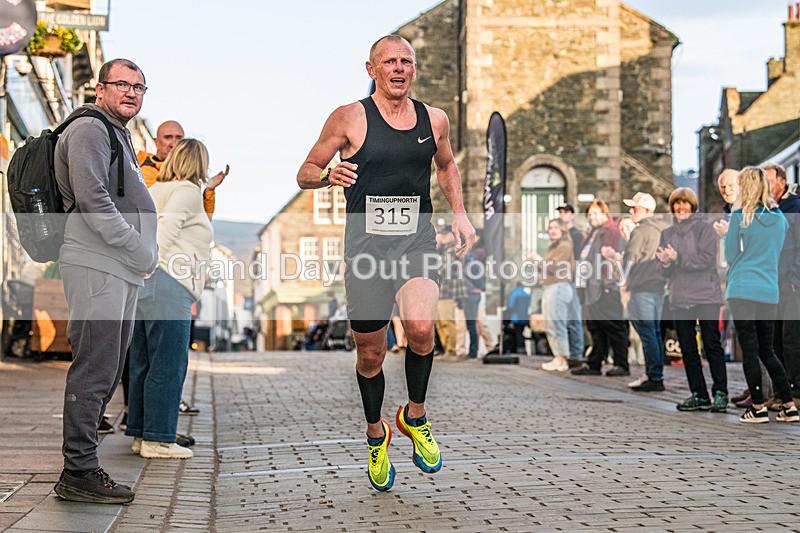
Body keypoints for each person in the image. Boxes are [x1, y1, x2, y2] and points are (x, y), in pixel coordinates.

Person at [296, 35, 476, 492]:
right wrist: (326, 175)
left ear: (414, 69)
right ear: (371, 69)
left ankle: (415, 416)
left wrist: (459, 214)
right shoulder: (349, 118)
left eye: (406, 61)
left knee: (420, 329)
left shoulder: (434, 118)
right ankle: (377, 433)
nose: (399, 68)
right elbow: (305, 171)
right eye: (389, 62)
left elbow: (447, 166)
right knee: (371, 352)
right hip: (366, 251)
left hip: (415, 241)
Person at [53, 58, 158, 504]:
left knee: (109, 366)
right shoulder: (91, 130)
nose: (131, 92)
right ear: (100, 89)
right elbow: (93, 199)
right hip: (97, 264)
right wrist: (138, 246)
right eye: (122, 84)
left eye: (139, 86)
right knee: (95, 366)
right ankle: (78, 471)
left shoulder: (118, 133)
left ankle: (84, 465)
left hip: (118, 268)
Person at [125, 139, 214, 457]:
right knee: (169, 362)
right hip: (168, 282)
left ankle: (140, 433)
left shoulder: (158, 189)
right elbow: (166, 227)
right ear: (199, 163)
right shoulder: (188, 191)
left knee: (143, 362)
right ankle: (158, 440)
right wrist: (152, 262)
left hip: (146, 282)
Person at [724, 166, 798, 423]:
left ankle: (757, 407)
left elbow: (731, 255)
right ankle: (789, 405)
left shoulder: (739, 216)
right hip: (769, 289)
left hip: (743, 288)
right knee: (769, 350)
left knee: (751, 350)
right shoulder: (779, 219)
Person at [656, 188, 728, 413]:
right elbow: (663, 270)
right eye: (677, 204)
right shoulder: (666, 233)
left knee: (711, 344)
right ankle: (699, 394)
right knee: (687, 348)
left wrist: (678, 258)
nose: (680, 208)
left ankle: (720, 392)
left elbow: (707, 260)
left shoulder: (703, 228)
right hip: (680, 298)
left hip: (706, 295)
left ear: (692, 206)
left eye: (685, 204)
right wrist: (666, 263)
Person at [607, 192, 667, 392]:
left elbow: (629, 260)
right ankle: (654, 373)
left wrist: (616, 260)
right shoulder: (663, 229)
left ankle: (654, 376)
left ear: (647, 211)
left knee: (647, 332)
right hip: (658, 287)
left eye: (635, 208)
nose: (631, 211)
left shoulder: (640, 231)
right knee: (655, 332)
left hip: (641, 287)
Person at [571, 199, 629, 377]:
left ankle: (621, 363)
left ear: (605, 213)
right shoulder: (593, 233)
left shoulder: (610, 231)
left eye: (595, 213)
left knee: (614, 326)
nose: (591, 217)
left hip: (605, 287)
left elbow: (614, 258)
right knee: (596, 327)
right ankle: (595, 362)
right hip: (591, 287)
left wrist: (608, 283)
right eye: (589, 214)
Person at [763, 163, 800, 402]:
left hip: (792, 284)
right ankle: (781, 391)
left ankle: (796, 391)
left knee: (791, 339)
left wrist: (794, 278)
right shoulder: (766, 211)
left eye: (768, 179)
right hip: (770, 283)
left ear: (781, 182)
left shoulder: (795, 207)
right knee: (773, 339)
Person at [532, 218, 574, 371]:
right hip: (550, 287)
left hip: (559, 287)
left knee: (557, 323)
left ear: (562, 229)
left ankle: (562, 357)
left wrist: (538, 260)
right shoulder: (552, 247)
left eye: (556, 227)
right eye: (550, 227)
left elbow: (555, 267)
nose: (553, 230)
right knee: (550, 323)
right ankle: (558, 356)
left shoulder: (564, 245)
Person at [557, 204, 585, 361]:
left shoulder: (577, 235)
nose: (562, 215)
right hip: (560, 281)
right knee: (563, 319)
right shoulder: (559, 236)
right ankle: (566, 353)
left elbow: (579, 260)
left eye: (565, 212)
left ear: (572, 215)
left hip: (572, 280)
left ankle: (576, 355)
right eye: (560, 212)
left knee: (574, 318)